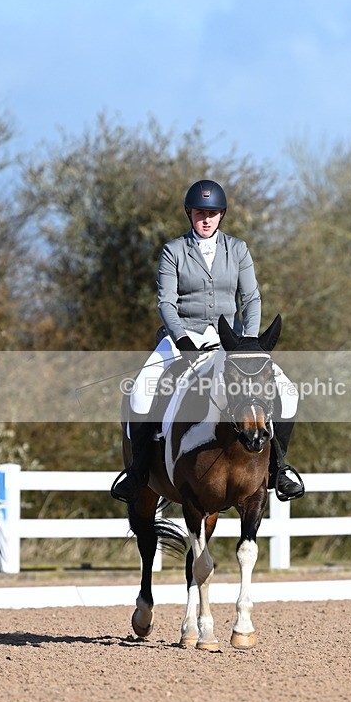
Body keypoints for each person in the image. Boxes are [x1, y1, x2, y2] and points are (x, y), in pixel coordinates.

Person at [111, 179, 303, 503]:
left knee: (289, 391)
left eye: (212, 213)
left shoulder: (238, 249)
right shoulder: (173, 251)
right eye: (200, 213)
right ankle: (139, 471)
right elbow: (166, 304)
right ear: (190, 214)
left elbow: (251, 299)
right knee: (141, 393)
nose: (206, 219)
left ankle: (278, 468)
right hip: (181, 335)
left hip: (232, 340)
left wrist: (250, 341)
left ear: (221, 215)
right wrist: (183, 339)